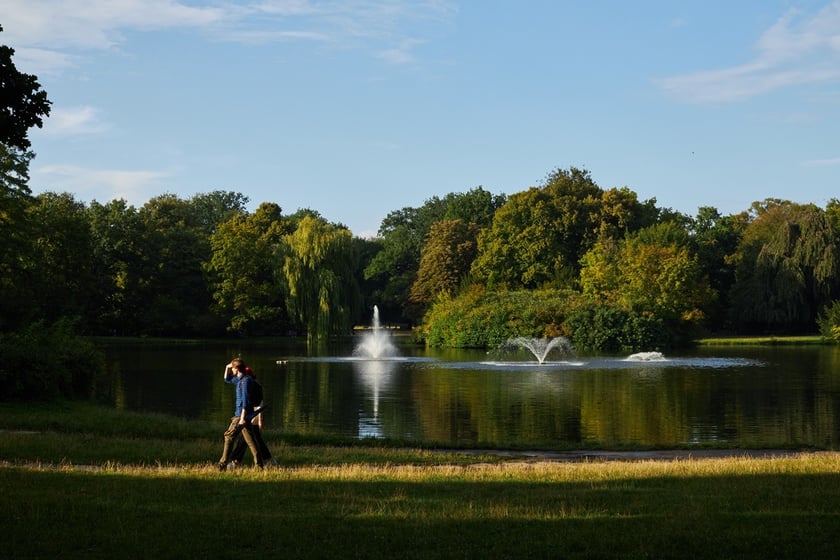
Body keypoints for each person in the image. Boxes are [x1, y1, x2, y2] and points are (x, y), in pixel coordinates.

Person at [218, 358, 263, 470]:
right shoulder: (240, 380)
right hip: (243, 415)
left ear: (237, 369)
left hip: (241, 416)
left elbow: (246, 400)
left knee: (229, 437)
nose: (232, 370)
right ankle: (259, 466)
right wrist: (227, 367)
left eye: (233, 368)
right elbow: (227, 379)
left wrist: (242, 418)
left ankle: (222, 465)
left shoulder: (246, 382)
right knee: (251, 441)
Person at [229, 366, 277, 467]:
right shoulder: (252, 383)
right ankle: (269, 460)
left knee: (246, 439)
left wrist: (259, 419)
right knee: (253, 438)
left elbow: (257, 403)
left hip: (250, 415)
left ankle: (235, 461)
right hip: (251, 414)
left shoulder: (250, 384)